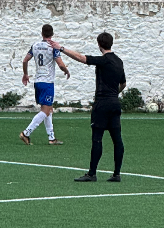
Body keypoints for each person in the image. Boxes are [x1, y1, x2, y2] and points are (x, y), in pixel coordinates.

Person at [48, 32, 126, 183]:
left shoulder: (104, 60)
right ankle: (116, 173)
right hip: (115, 103)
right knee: (117, 139)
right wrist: (114, 95)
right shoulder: (119, 61)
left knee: (97, 139)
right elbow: (123, 84)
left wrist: (61, 48)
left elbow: (82, 58)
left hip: (102, 104)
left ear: (99, 44)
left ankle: (92, 173)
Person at [20, 24, 70, 146]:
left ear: (42, 33)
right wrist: (66, 70)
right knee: (45, 110)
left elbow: (25, 60)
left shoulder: (35, 45)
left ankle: (51, 137)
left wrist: (26, 74)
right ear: (52, 34)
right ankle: (26, 133)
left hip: (38, 81)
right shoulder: (53, 47)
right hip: (47, 82)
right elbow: (60, 64)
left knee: (49, 109)